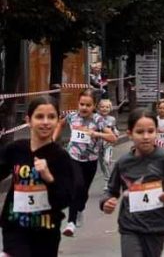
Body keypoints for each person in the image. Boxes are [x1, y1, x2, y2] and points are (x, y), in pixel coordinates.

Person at [100, 108, 164, 257]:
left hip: (157, 226)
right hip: (129, 226)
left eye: (150, 131)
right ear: (129, 134)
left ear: (156, 132)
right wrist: (106, 201)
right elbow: (111, 190)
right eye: (140, 132)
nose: (146, 137)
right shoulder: (123, 162)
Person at [0, 96, 74, 257]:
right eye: (39, 117)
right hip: (15, 227)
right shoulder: (15, 149)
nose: (45, 122)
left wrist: (48, 178)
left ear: (57, 121)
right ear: (28, 120)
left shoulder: (60, 157)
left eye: (51, 117)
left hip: (46, 231)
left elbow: (65, 199)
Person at [53, 88, 117, 237]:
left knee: (83, 191)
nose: (84, 108)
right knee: (77, 186)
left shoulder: (98, 120)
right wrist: (53, 139)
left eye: (88, 105)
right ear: (78, 103)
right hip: (73, 157)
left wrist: (96, 134)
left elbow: (113, 138)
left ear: (94, 106)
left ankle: (80, 208)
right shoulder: (72, 116)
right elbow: (60, 123)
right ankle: (71, 223)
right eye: (82, 104)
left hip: (90, 161)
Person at [96, 98, 119, 191]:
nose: (104, 109)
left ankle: (109, 181)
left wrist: (116, 133)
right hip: (97, 144)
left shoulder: (112, 119)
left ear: (110, 108)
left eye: (107, 107)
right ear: (98, 108)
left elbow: (114, 129)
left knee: (106, 160)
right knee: (102, 164)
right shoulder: (95, 118)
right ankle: (108, 178)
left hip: (108, 144)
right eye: (102, 107)